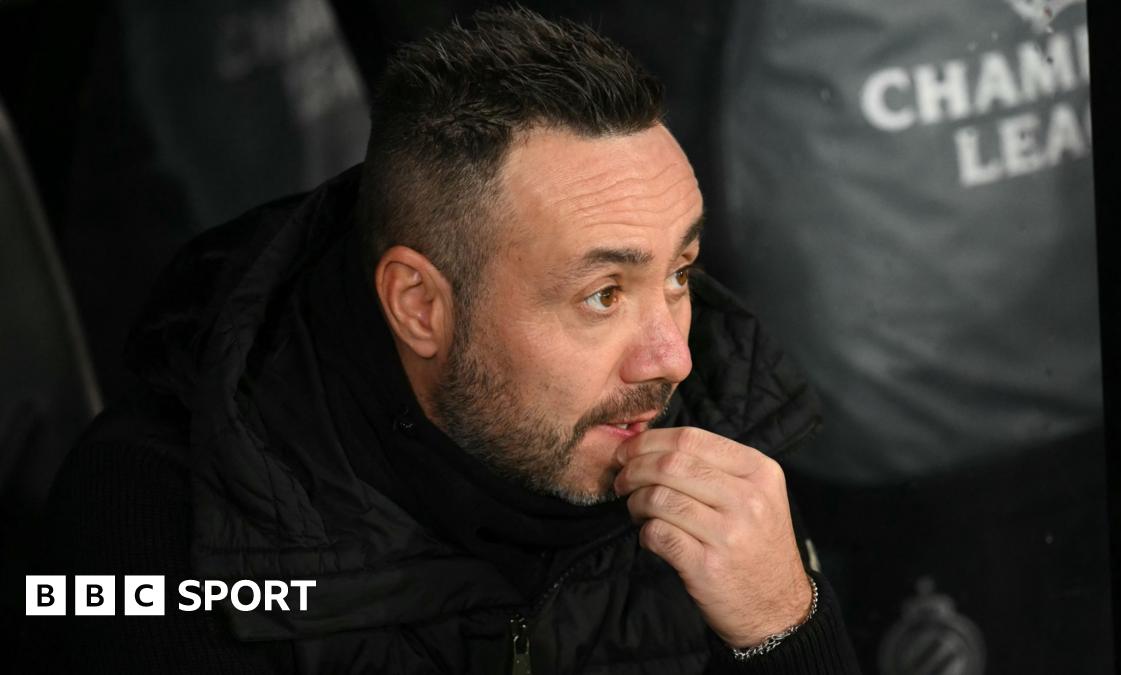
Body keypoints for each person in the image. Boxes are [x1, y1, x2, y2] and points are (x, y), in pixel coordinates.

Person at [36, 8, 860, 673]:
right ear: (420, 306)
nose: (672, 357)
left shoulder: (723, 435)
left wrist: (784, 627)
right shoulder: (152, 530)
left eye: (678, 273)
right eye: (603, 293)